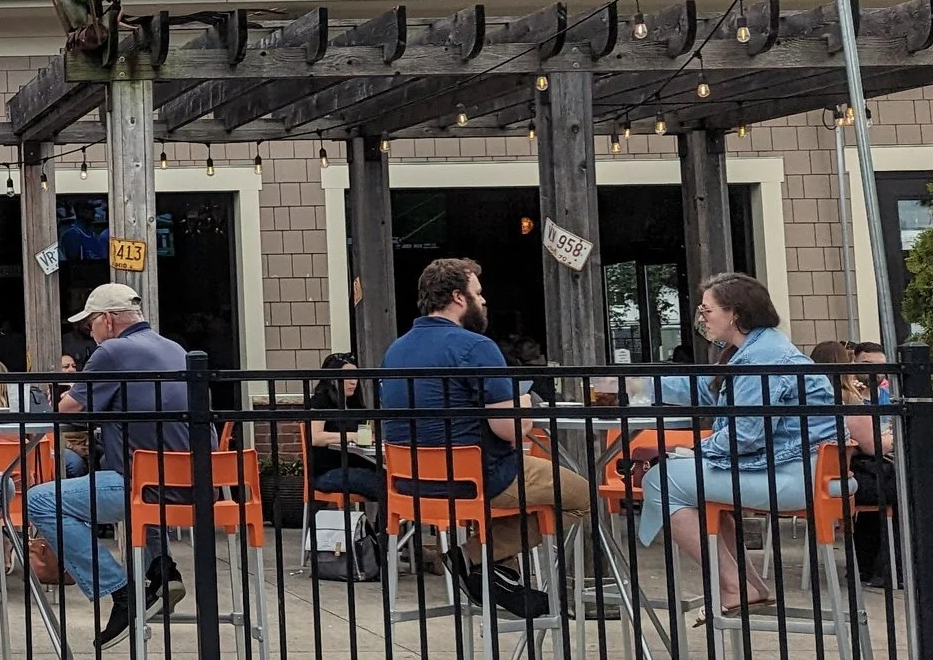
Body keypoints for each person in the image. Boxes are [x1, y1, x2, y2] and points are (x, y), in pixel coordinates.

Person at [379, 257, 588, 620]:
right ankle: (472, 558)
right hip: (476, 480)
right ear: (459, 298)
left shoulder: (395, 350)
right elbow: (510, 429)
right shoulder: (476, 347)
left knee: (515, 495)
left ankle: (496, 576)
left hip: (410, 485)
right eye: (478, 292)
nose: (484, 299)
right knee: (582, 496)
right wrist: (524, 404)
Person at [636, 273, 842, 617]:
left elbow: (746, 435)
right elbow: (710, 393)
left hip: (794, 476)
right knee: (693, 485)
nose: (702, 319)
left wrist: (695, 452)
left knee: (659, 480)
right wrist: (642, 385)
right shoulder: (761, 349)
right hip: (808, 472)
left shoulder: (761, 360)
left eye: (707, 310)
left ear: (735, 313)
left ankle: (734, 586)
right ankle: (749, 585)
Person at [19, 283, 191, 650]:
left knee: (40, 501)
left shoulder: (113, 351)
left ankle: (121, 592)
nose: (89, 333)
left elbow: (69, 409)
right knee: (132, 486)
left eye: (90, 324)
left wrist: (43, 402)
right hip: (197, 482)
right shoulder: (173, 348)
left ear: (108, 320)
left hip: (145, 485)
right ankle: (161, 571)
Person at [811, 339, 897, 586]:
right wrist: (894, 435)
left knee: (882, 483)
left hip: (817, 477)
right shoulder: (847, 398)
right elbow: (873, 446)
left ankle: (864, 567)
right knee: (903, 488)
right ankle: (890, 569)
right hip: (842, 482)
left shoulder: (812, 398)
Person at [305, 352, 383, 518]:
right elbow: (315, 437)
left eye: (355, 376)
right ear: (332, 378)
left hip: (358, 465)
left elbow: (367, 434)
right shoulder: (321, 401)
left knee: (396, 481)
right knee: (383, 484)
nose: (353, 382)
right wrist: (352, 436)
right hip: (328, 471)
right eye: (347, 376)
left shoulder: (355, 405)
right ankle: (385, 536)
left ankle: (386, 534)